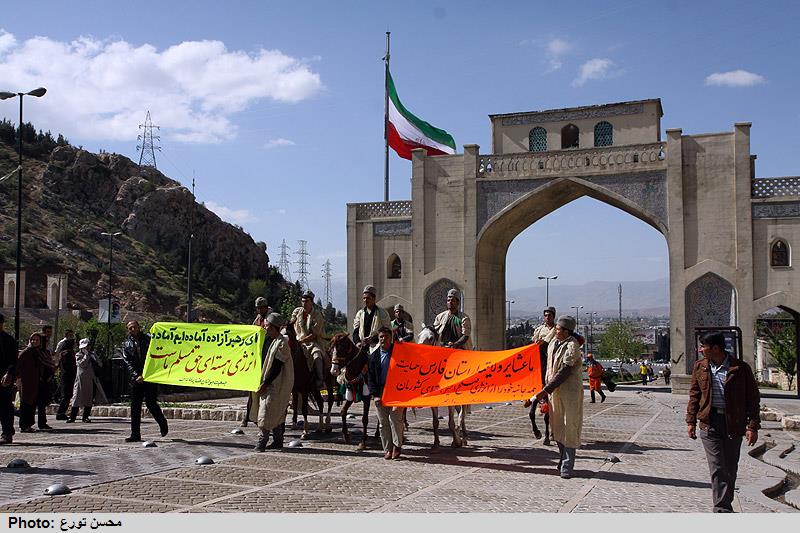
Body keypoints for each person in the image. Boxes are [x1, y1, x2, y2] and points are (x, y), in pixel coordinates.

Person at [686, 331, 760, 513]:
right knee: (717, 466)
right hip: (709, 422)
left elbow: (752, 398)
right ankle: (722, 509)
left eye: (704, 346)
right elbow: (694, 395)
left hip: (733, 422)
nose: (700, 349)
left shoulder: (740, 369)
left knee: (730, 467)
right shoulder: (700, 367)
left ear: (716, 348)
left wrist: (752, 426)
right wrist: (690, 421)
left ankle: (725, 501)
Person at [534, 315, 583, 479]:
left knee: (569, 425)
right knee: (557, 426)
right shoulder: (553, 343)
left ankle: (567, 465)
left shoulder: (572, 346)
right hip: (554, 392)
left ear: (566, 331)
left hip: (569, 393)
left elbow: (564, 371)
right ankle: (562, 458)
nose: (555, 330)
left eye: (558, 329)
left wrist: (545, 390)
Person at [433, 288, 472, 447]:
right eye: (449, 300)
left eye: (454, 300)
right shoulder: (440, 317)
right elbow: (434, 333)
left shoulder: (463, 318)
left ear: (458, 302)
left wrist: (455, 345)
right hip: (443, 355)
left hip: (461, 356)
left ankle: (461, 422)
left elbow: (465, 335)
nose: (451, 302)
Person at [252, 313, 295, 452]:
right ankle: (278, 440)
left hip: (276, 383)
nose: (266, 328)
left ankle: (262, 441)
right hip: (265, 380)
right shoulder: (267, 340)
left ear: (275, 327)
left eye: (268, 326)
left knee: (267, 411)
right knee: (276, 412)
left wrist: (265, 383)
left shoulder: (281, 343)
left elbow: (276, 366)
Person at [121, 320, 168, 442]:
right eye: (130, 328)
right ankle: (135, 434)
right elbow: (127, 362)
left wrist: (147, 374)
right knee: (135, 407)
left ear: (139, 327)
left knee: (151, 403)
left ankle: (162, 423)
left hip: (150, 377)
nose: (132, 329)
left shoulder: (148, 339)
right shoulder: (126, 344)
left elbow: (156, 354)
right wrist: (137, 375)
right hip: (135, 380)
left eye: (134, 327)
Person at [368, 326, 404, 459]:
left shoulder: (399, 351)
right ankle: (387, 448)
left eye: (386, 336)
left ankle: (397, 446)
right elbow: (370, 378)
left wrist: (403, 345)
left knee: (395, 419)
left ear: (391, 338)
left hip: (397, 392)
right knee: (383, 423)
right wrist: (375, 395)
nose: (384, 339)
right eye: (381, 337)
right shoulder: (373, 357)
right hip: (380, 393)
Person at [243, 297, 273, 427]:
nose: (260, 310)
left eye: (262, 307)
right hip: (258, 353)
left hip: (269, 351)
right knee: (252, 387)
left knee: (316, 355)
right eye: (258, 308)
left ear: (266, 307)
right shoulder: (258, 319)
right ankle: (249, 416)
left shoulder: (271, 319)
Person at [290, 290, 327, 389]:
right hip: (298, 340)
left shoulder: (317, 315)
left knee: (317, 354)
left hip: (313, 342)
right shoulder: (297, 311)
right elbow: (291, 323)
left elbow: (314, 334)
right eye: (302, 301)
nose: (304, 303)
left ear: (311, 302)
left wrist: (302, 341)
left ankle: (320, 378)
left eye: (306, 301)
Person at [67, 338, 107, 423]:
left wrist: (94, 358)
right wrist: (86, 356)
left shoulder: (93, 354)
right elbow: (81, 364)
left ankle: (85, 416)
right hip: (80, 380)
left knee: (89, 398)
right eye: (85, 346)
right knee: (76, 397)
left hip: (91, 379)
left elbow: (100, 364)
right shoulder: (78, 355)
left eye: (88, 346)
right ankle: (72, 416)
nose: (87, 348)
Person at [16, 333, 45, 433]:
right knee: (25, 403)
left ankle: (28, 424)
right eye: (33, 339)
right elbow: (18, 365)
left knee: (31, 403)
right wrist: (19, 378)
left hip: (34, 382)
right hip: (25, 382)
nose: (34, 342)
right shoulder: (26, 352)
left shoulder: (38, 352)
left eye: (37, 340)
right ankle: (24, 425)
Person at [352, 285, 391, 351]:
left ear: (374, 298)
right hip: (362, 347)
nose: (365, 300)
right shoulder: (360, 313)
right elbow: (356, 331)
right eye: (364, 298)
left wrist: (372, 339)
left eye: (368, 298)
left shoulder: (382, 313)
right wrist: (357, 342)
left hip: (377, 347)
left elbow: (387, 331)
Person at [0, 313, 17, 443]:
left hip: (5, 378)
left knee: (5, 406)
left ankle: (7, 433)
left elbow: (13, 360)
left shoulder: (8, 340)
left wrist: (9, 373)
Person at [35, 324, 56, 430]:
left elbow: (50, 363)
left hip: (46, 379)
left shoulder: (46, 351)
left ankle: (42, 422)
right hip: (39, 380)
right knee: (38, 402)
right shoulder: (37, 351)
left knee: (43, 402)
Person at [54, 329, 77, 420]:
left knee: (65, 392)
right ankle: (60, 412)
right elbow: (58, 355)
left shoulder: (69, 352)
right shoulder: (65, 351)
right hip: (66, 373)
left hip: (68, 374)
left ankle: (57, 397)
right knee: (66, 394)